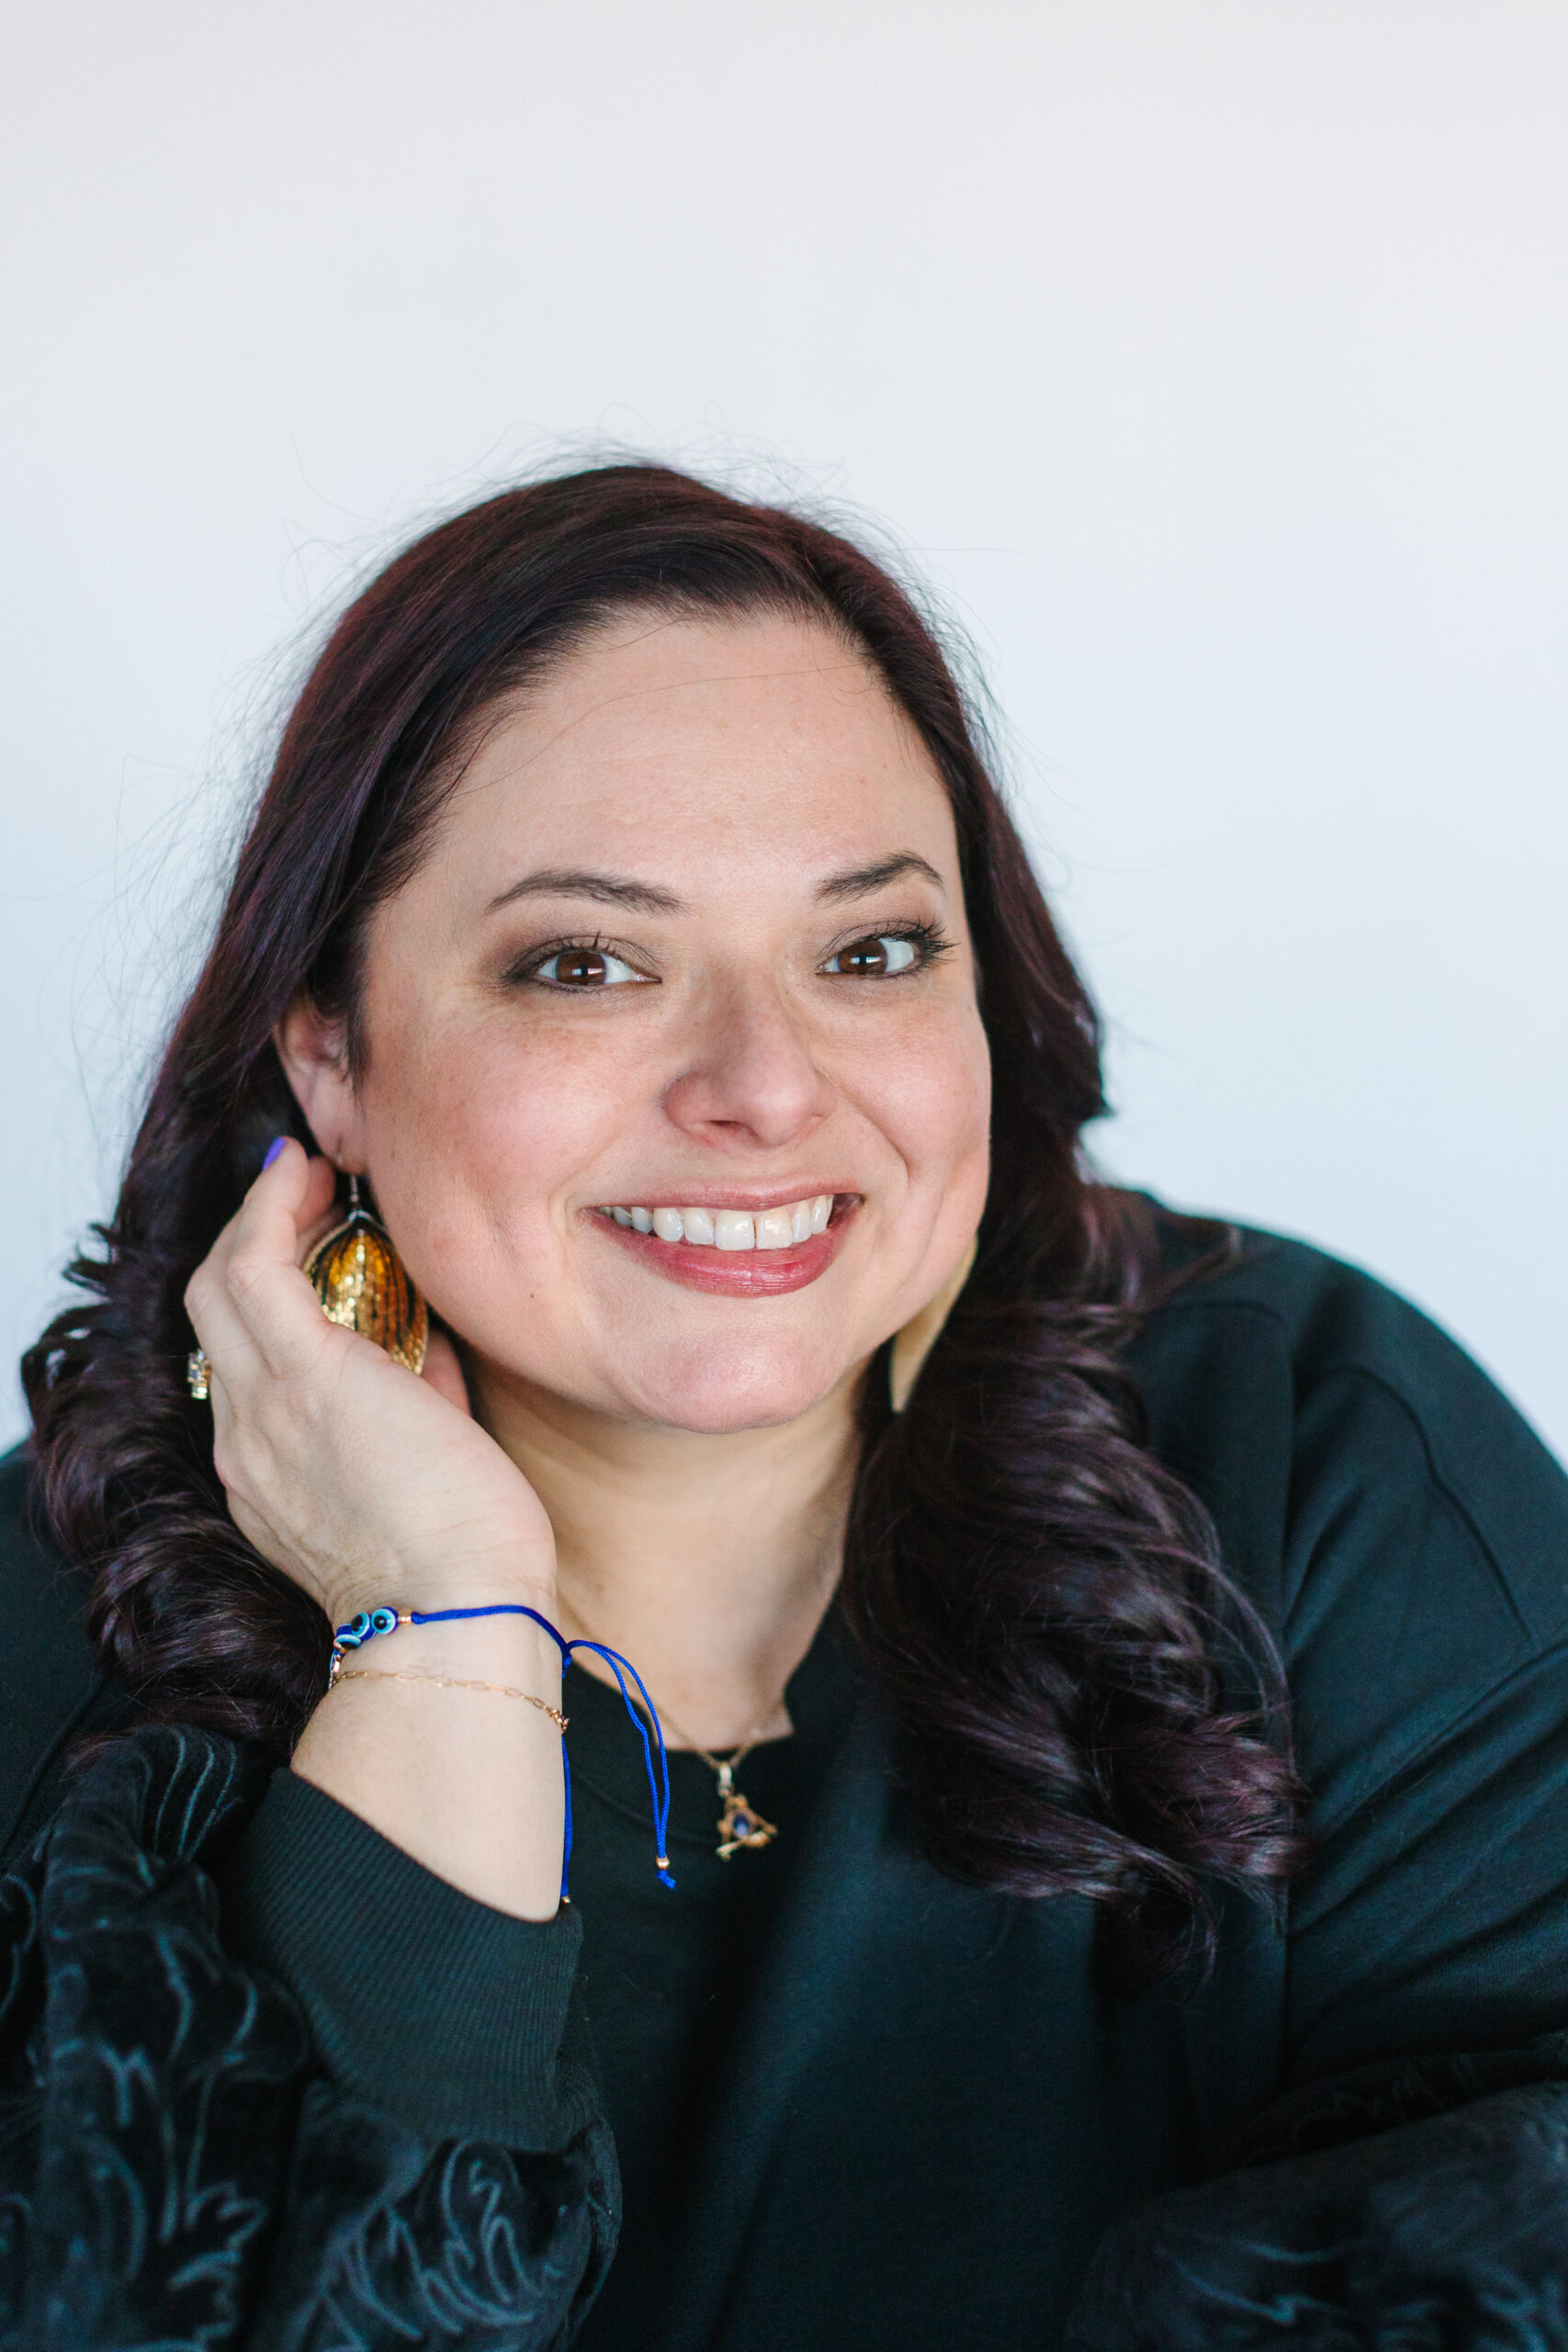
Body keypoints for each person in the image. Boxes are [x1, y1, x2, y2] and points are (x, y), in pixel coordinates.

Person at [5, 464, 1568, 2352]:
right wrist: (439, 1622)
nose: (759, 1082)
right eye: (586, 960)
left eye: (867, 948)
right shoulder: (54, 1650)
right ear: (330, 1054)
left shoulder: (1308, 1448)